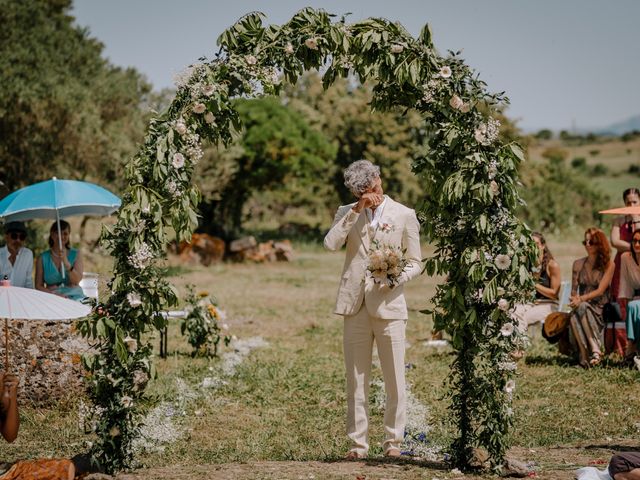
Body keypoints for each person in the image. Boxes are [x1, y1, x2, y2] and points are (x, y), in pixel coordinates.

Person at [324, 159, 422, 459]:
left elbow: (417, 262)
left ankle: (393, 442)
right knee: (356, 378)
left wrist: (396, 278)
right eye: (360, 193)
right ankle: (358, 444)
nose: (368, 195)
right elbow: (330, 244)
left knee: (394, 377)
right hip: (355, 305)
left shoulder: (404, 214)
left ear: (379, 179)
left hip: (390, 304)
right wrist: (355, 211)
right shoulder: (347, 212)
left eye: (370, 188)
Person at [568, 227, 615, 368]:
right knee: (574, 314)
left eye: (591, 241)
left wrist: (580, 299)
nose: (587, 245)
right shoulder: (578, 264)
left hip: (600, 309)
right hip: (582, 307)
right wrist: (574, 299)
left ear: (600, 243)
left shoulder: (609, 265)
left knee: (580, 307)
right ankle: (588, 354)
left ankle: (589, 353)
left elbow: (601, 290)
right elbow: (573, 291)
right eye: (585, 241)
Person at [513, 232, 561, 333]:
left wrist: (533, 283)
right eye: (530, 244)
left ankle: (519, 348)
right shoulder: (527, 265)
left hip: (549, 304)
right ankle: (516, 348)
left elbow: (554, 294)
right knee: (512, 312)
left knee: (522, 318)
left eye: (536, 244)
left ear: (543, 246)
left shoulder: (552, 265)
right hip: (530, 304)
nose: (533, 247)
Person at [35, 220, 84, 301]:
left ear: (69, 235)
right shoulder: (42, 258)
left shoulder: (76, 254)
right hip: (51, 297)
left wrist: (66, 262)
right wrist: (54, 294)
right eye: (58, 233)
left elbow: (76, 281)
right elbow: (38, 286)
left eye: (65, 233)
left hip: (74, 296)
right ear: (52, 234)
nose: (62, 236)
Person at [610, 188, 640, 301]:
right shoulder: (618, 220)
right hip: (622, 262)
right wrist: (634, 248)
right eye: (628, 203)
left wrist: (636, 219)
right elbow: (614, 241)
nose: (631, 205)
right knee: (621, 296)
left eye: (635, 202)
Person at [618, 229, 640, 361]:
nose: (637, 244)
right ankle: (633, 347)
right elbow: (625, 283)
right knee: (631, 307)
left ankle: (631, 347)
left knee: (633, 306)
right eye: (634, 241)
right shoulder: (625, 258)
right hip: (635, 297)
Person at [0, 222, 34, 288]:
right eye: (14, 236)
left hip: (21, 296)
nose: (18, 240)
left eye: (22, 237)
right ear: (6, 237)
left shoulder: (28, 254)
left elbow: (28, 282)